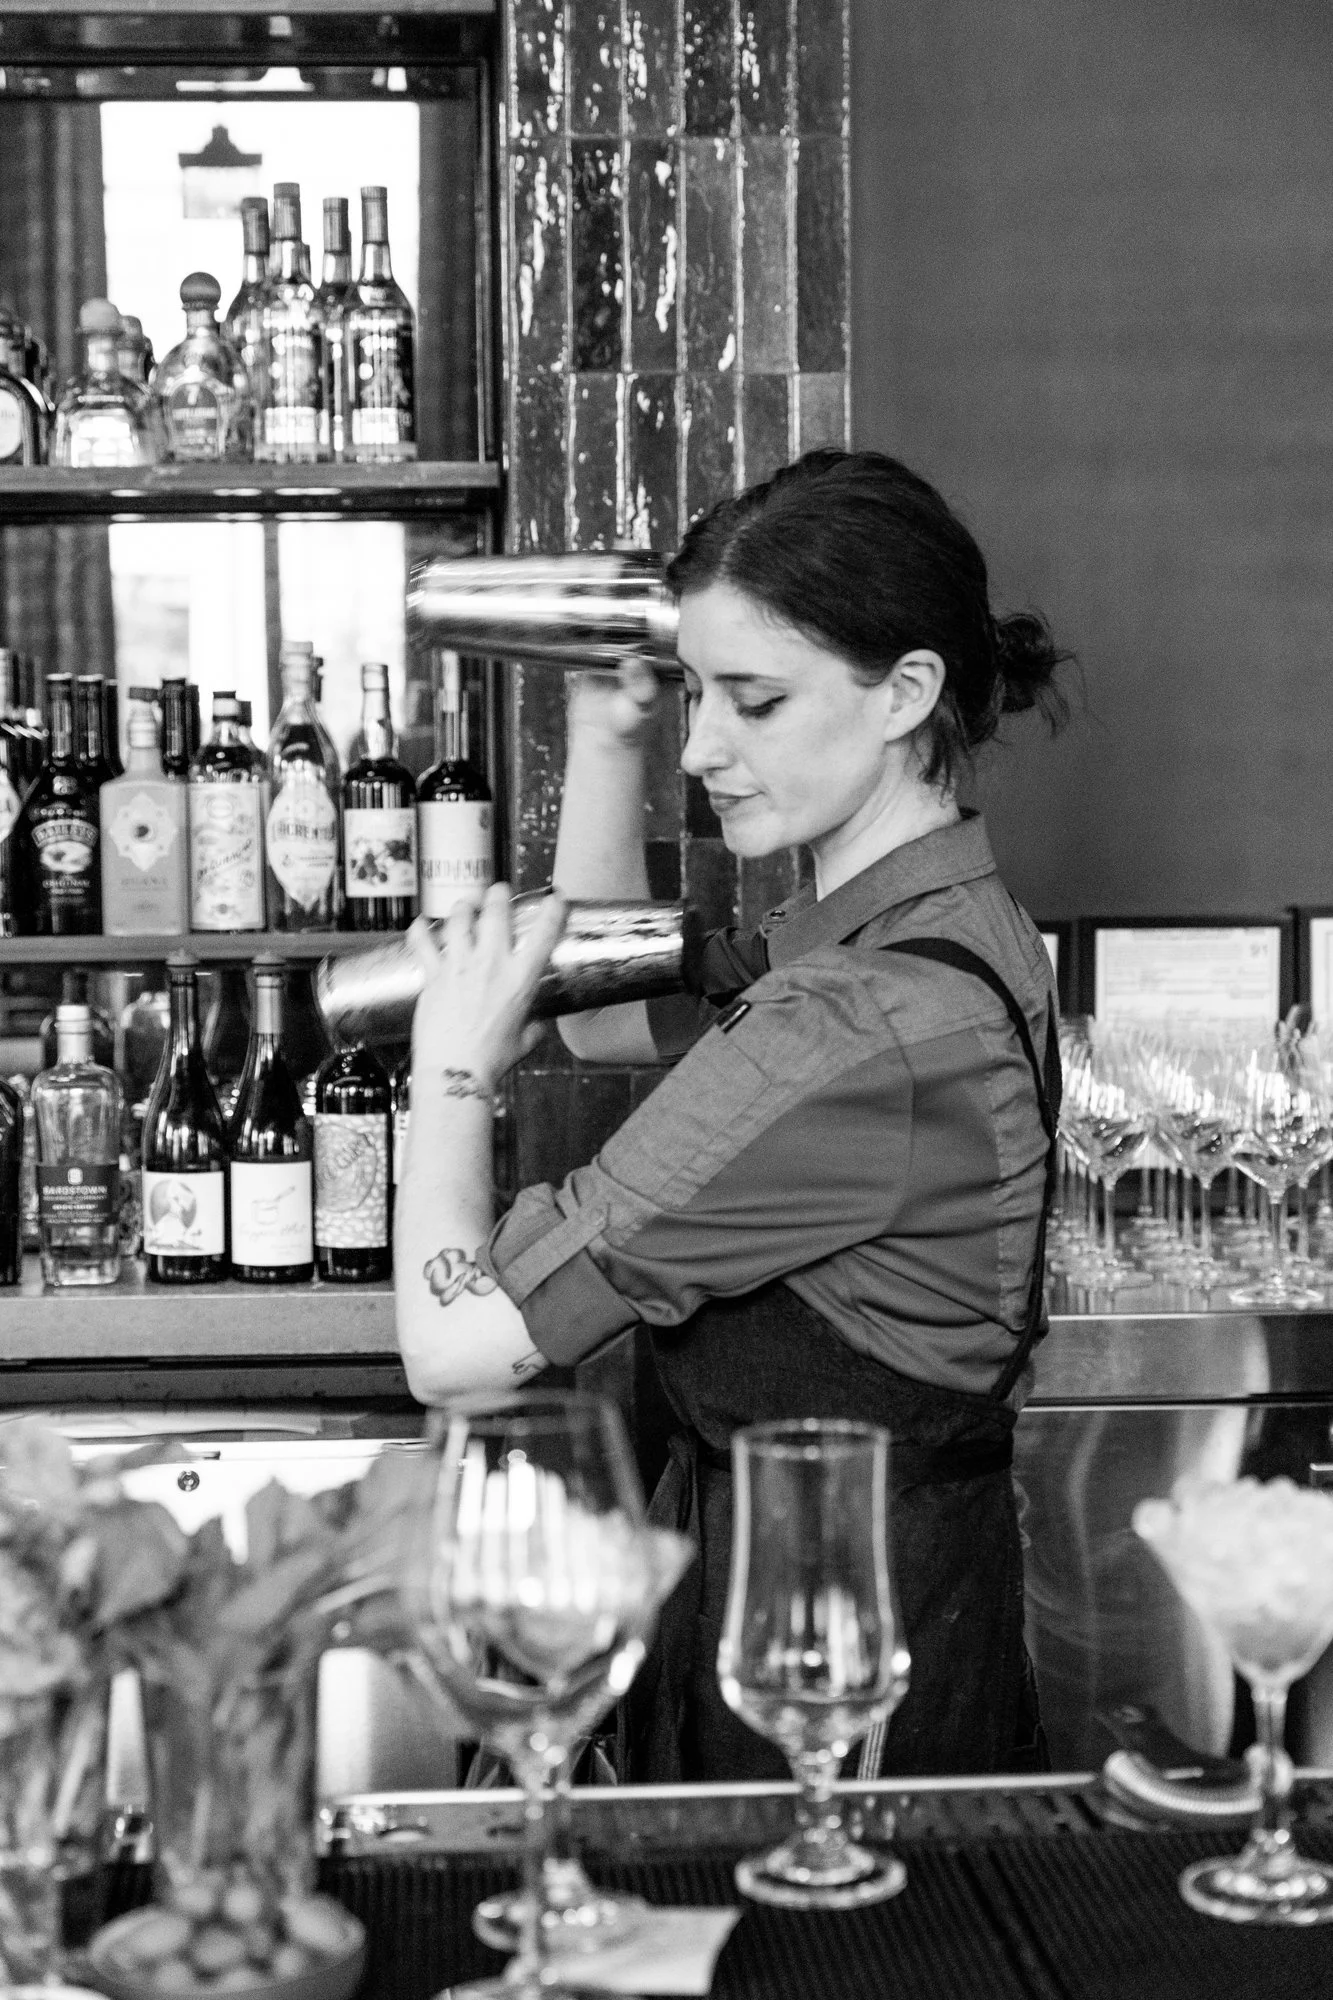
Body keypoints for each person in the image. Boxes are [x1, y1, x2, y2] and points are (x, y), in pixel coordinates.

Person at [395, 447, 1069, 1782]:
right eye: (695, 691)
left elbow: (454, 1350)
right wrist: (607, 737)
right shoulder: (929, 928)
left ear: (906, 691)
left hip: (825, 1676)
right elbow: (604, 1019)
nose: (704, 747)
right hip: (874, 1608)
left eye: (756, 701)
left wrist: (448, 1076)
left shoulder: (853, 1025)